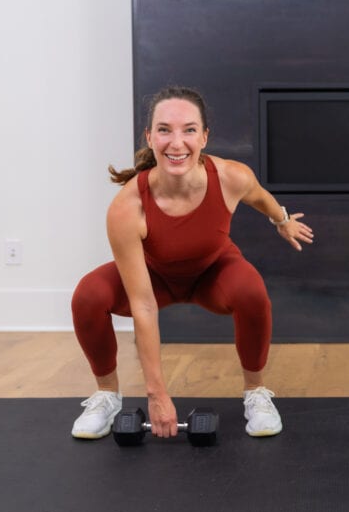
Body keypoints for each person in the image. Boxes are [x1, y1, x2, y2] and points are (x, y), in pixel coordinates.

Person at [70, 86, 313, 441]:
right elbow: (143, 305)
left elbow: (261, 197)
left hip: (213, 273)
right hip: (156, 278)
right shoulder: (127, 207)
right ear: (149, 137)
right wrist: (157, 394)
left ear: (204, 137)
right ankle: (107, 395)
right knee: (88, 296)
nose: (177, 142)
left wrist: (282, 220)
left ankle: (256, 392)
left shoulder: (231, 177)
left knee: (252, 292)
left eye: (189, 130)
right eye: (165, 130)